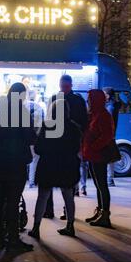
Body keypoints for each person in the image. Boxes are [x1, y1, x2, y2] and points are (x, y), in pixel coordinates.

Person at [0, 83, 36, 252]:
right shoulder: (22, 112)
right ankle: (13, 238)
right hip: (16, 163)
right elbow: (30, 137)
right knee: (13, 201)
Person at [28, 99, 81, 240]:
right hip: (68, 166)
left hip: (48, 166)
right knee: (69, 196)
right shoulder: (74, 128)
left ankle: (36, 227)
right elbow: (76, 148)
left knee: (42, 196)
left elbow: (38, 148)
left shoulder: (47, 126)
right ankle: (70, 226)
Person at [44, 75, 88, 219]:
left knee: (67, 182)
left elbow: (83, 123)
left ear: (70, 85)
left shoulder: (77, 100)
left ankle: (65, 211)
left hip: (68, 145)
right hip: (60, 144)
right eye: (62, 86)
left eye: (66, 86)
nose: (64, 88)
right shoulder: (56, 99)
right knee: (56, 179)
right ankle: (49, 209)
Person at [83, 90, 115, 228]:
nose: (88, 101)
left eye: (90, 98)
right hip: (93, 154)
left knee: (102, 185)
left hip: (99, 155)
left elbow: (107, 135)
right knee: (98, 185)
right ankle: (101, 211)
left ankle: (105, 214)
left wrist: (94, 147)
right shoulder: (95, 114)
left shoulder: (103, 115)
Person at [25, 90, 44, 188]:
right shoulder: (39, 108)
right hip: (35, 138)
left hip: (25, 139)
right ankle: (32, 181)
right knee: (34, 160)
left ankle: (27, 180)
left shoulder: (24, 107)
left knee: (26, 160)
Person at [103, 87, 122, 187]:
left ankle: (109, 179)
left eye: (104, 94)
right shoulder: (113, 105)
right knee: (109, 156)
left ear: (108, 95)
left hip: (108, 134)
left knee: (108, 157)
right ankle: (110, 178)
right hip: (111, 134)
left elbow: (108, 121)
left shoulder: (110, 107)